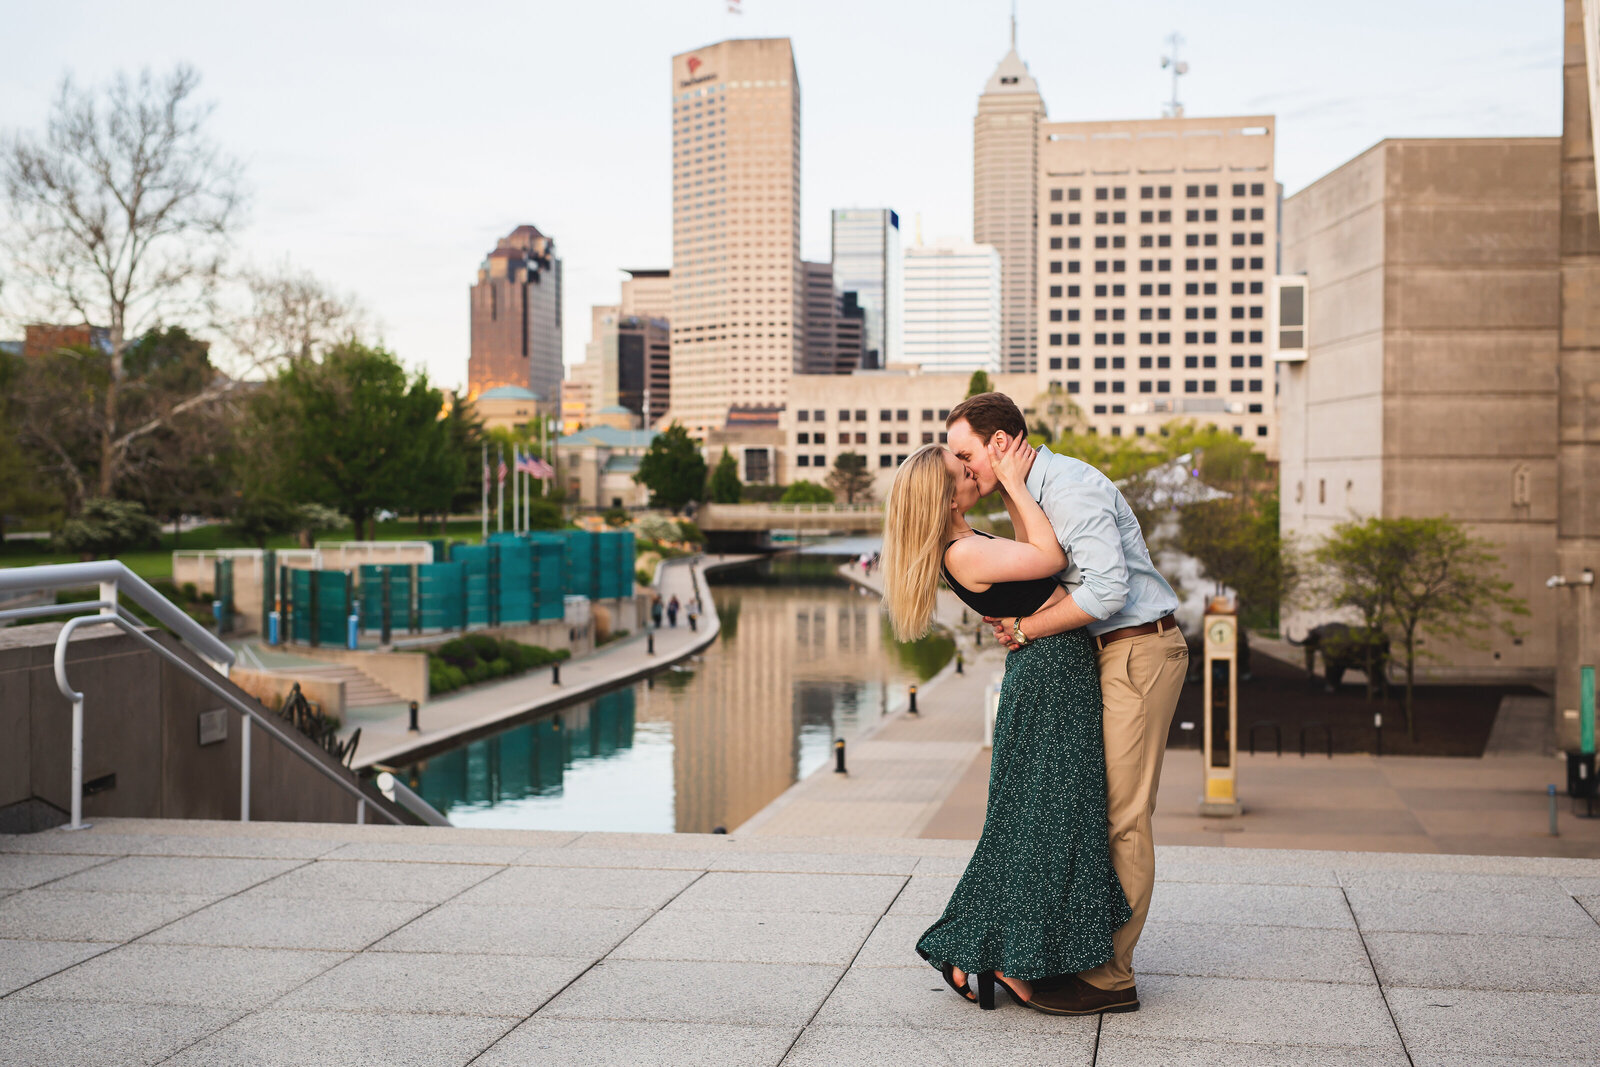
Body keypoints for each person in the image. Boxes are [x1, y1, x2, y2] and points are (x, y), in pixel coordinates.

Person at [945, 392, 1186, 1016]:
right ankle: (1068, 953)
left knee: (1121, 817)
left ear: (1002, 444)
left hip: (1136, 651)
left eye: (967, 454)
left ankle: (1109, 978)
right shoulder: (1026, 495)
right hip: (1101, 654)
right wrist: (1031, 622)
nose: (964, 468)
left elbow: (1105, 589)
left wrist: (1029, 629)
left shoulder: (1069, 485)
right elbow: (1055, 583)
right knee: (1085, 809)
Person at [882, 438, 1130, 1013]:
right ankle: (980, 949)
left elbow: (1035, 559)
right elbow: (1052, 559)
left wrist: (1015, 495)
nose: (973, 470)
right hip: (1047, 675)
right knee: (1046, 818)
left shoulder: (968, 542)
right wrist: (1017, 481)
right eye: (960, 468)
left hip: (1051, 669)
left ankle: (1001, 955)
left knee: (1041, 818)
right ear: (946, 498)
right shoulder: (962, 553)